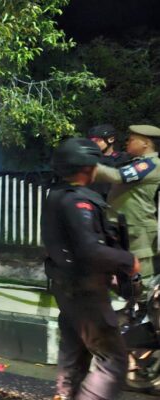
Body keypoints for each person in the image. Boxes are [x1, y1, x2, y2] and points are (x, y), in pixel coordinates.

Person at [43, 138, 140, 400]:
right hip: (85, 292)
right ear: (87, 168)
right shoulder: (77, 202)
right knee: (112, 360)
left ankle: (65, 395)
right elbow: (90, 250)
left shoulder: (56, 195)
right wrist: (127, 261)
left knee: (75, 352)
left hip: (67, 288)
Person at [94, 124, 160, 280]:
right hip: (127, 227)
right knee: (125, 278)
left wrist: (86, 164)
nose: (127, 143)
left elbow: (117, 176)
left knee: (141, 279)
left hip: (138, 230)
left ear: (145, 143)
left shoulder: (150, 164)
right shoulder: (137, 162)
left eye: (132, 140)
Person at [86, 124, 130, 198]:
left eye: (97, 140)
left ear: (111, 139)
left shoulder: (123, 159)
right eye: (92, 140)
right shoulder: (87, 158)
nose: (93, 143)